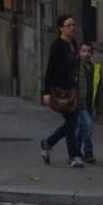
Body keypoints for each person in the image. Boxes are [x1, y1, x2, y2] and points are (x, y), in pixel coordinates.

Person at [39, 15, 81, 165]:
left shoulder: (74, 43)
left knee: (72, 122)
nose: (72, 28)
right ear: (60, 28)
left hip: (73, 90)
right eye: (68, 25)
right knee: (71, 122)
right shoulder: (57, 46)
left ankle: (48, 143)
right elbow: (50, 70)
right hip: (61, 91)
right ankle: (73, 156)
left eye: (73, 25)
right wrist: (46, 92)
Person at [71, 40, 103, 168]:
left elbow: (100, 88)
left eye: (89, 51)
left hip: (89, 103)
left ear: (92, 53)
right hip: (79, 103)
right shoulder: (76, 67)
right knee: (88, 126)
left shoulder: (96, 68)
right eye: (83, 51)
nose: (86, 54)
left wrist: (100, 106)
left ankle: (76, 150)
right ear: (79, 53)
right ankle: (88, 153)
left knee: (82, 127)